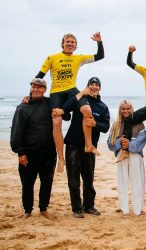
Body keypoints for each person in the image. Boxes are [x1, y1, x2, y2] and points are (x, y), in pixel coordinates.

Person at [35, 32, 105, 173]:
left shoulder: (78, 58)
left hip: (71, 90)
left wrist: (99, 42)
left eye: (73, 42)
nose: (70, 44)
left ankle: (88, 145)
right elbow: (39, 77)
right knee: (56, 122)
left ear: (75, 46)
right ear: (63, 44)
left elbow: (100, 56)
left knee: (87, 110)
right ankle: (61, 158)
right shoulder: (52, 58)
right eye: (68, 41)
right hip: (57, 93)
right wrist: (30, 95)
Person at [54, 77, 110, 218]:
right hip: (73, 144)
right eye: (92, 84)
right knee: (73, 178)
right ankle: (77, 209)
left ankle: (89, 206)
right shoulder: (79, 100)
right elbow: (66, 108)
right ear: (87, 86)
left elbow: (106, 127)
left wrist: (95, 124)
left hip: (90, 147)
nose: (94, 86)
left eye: (97, 85)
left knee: (88, 178)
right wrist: (80, 94)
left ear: (100, 88)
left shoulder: (103, 107)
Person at [10, 79, 56, 219]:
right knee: (27, 184)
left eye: (40, 87)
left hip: (48, 153)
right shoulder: (22, 107)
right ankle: (28, 211)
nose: (36, 89)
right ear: (31, 88)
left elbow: (65, 112)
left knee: (47, 182)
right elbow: (16, 132)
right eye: (34, 87)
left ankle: (43, 208)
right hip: (29, 154)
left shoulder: (50, 103)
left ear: (45, 89)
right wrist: (20, 153)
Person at [107, 100, 146, 215]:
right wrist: (120, 141)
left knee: (138, 182)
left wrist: (129, 144)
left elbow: (142, 140)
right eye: (123, 109)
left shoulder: (139, 123)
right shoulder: (116, 124)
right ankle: (124, 209)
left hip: (135, 154)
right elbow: (110, 144)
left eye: (128, 108)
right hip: (121, 155)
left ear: (132, 109)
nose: (126, 111)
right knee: (122, 181)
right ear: (120, 110)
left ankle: (138, 209)